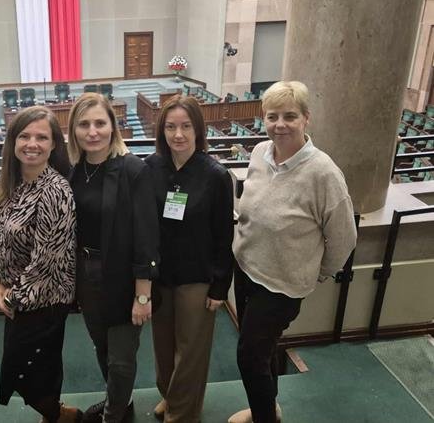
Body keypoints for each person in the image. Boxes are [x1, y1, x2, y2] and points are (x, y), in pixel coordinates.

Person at [229, 81, 357, 423]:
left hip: (282, 285)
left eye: (289, 116)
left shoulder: (323, 172)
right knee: (263, 348)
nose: (280, 125)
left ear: (306, 118)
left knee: (249, 356)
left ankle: (264, 418)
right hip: (247, 268)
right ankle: (269, 409)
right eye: (272, 117)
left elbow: (344, 238)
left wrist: (316, 272)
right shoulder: (260, 152)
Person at [67, 93, 160, 423]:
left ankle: (113, 416)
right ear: (74, 130)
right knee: (103, 347)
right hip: (86, 275)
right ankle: (121, 402)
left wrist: (143, 295)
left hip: (122, 277)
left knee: (121, 358)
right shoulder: (74, 172)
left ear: (113, 126)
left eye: (100, 123)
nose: (92, 131)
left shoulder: (133, 169)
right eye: (84, 124)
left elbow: (146, 236)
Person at [0, 106, 81, 423]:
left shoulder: (55, 191)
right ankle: (56, 415)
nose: (32, 144)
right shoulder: (10, 184)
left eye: (42, 137)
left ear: (54, 144)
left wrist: (11, 298)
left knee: (27, 371)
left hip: (44, 300)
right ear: (13, 141)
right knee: (36, 370)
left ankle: (65, 417)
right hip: (16, 296)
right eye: (24, 136)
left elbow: (47, 261)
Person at [145, 95, 234, 422]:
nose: (178, 134)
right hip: (160, 275)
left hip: (198, 277)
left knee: (191, 352)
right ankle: (171, 397)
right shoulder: (151, 168)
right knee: (163, 347)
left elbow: (224, 234)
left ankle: (182, 414)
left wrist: (220, 286)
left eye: (185, 126)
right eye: (170, 127)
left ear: (198, 129)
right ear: (162, 130)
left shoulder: (215, 175)